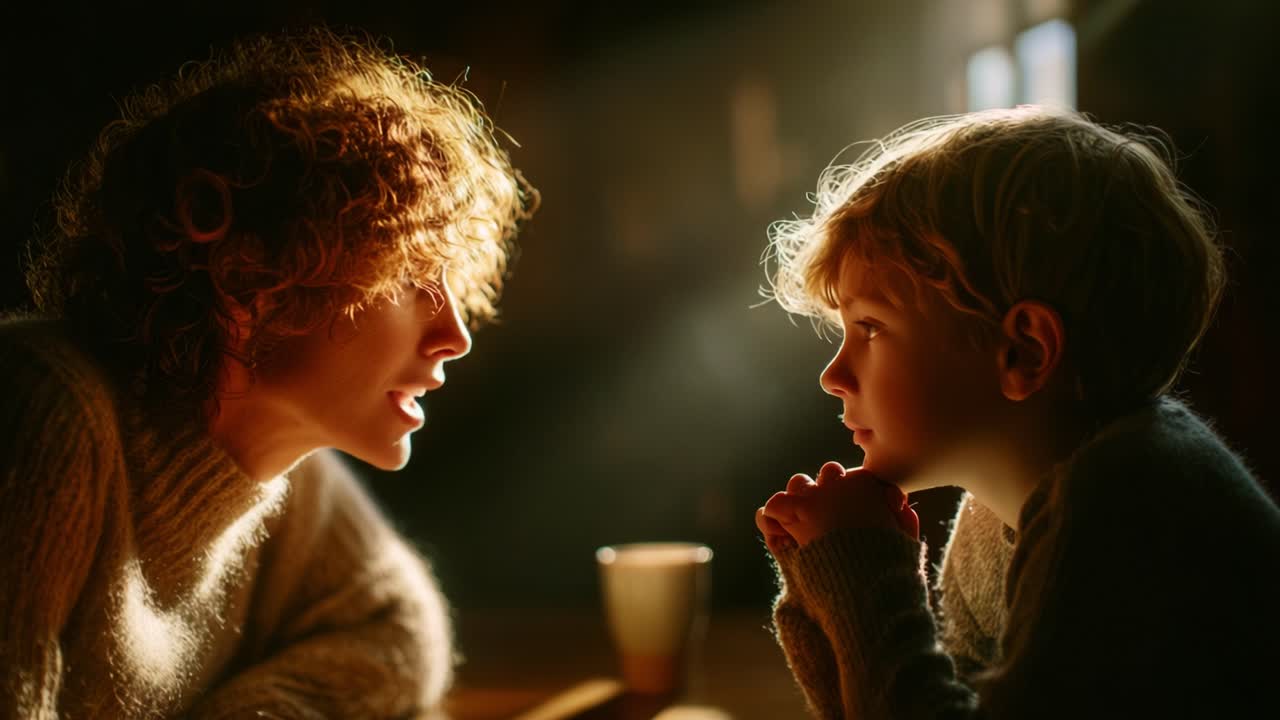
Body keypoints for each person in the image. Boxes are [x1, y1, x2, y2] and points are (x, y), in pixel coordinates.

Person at [1, 26, 535, 718]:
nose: (454, 337)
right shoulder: (44, 408)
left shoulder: (280, 460)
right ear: (250, 275)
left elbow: (400, 626)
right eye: (410, 278)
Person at [754, 105, 1280, 718]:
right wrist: (830, 581)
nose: (833, 376)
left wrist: (867, 577)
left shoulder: (1126, 502)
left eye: (870, 328)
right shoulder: (994, 520)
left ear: (1024, 351)